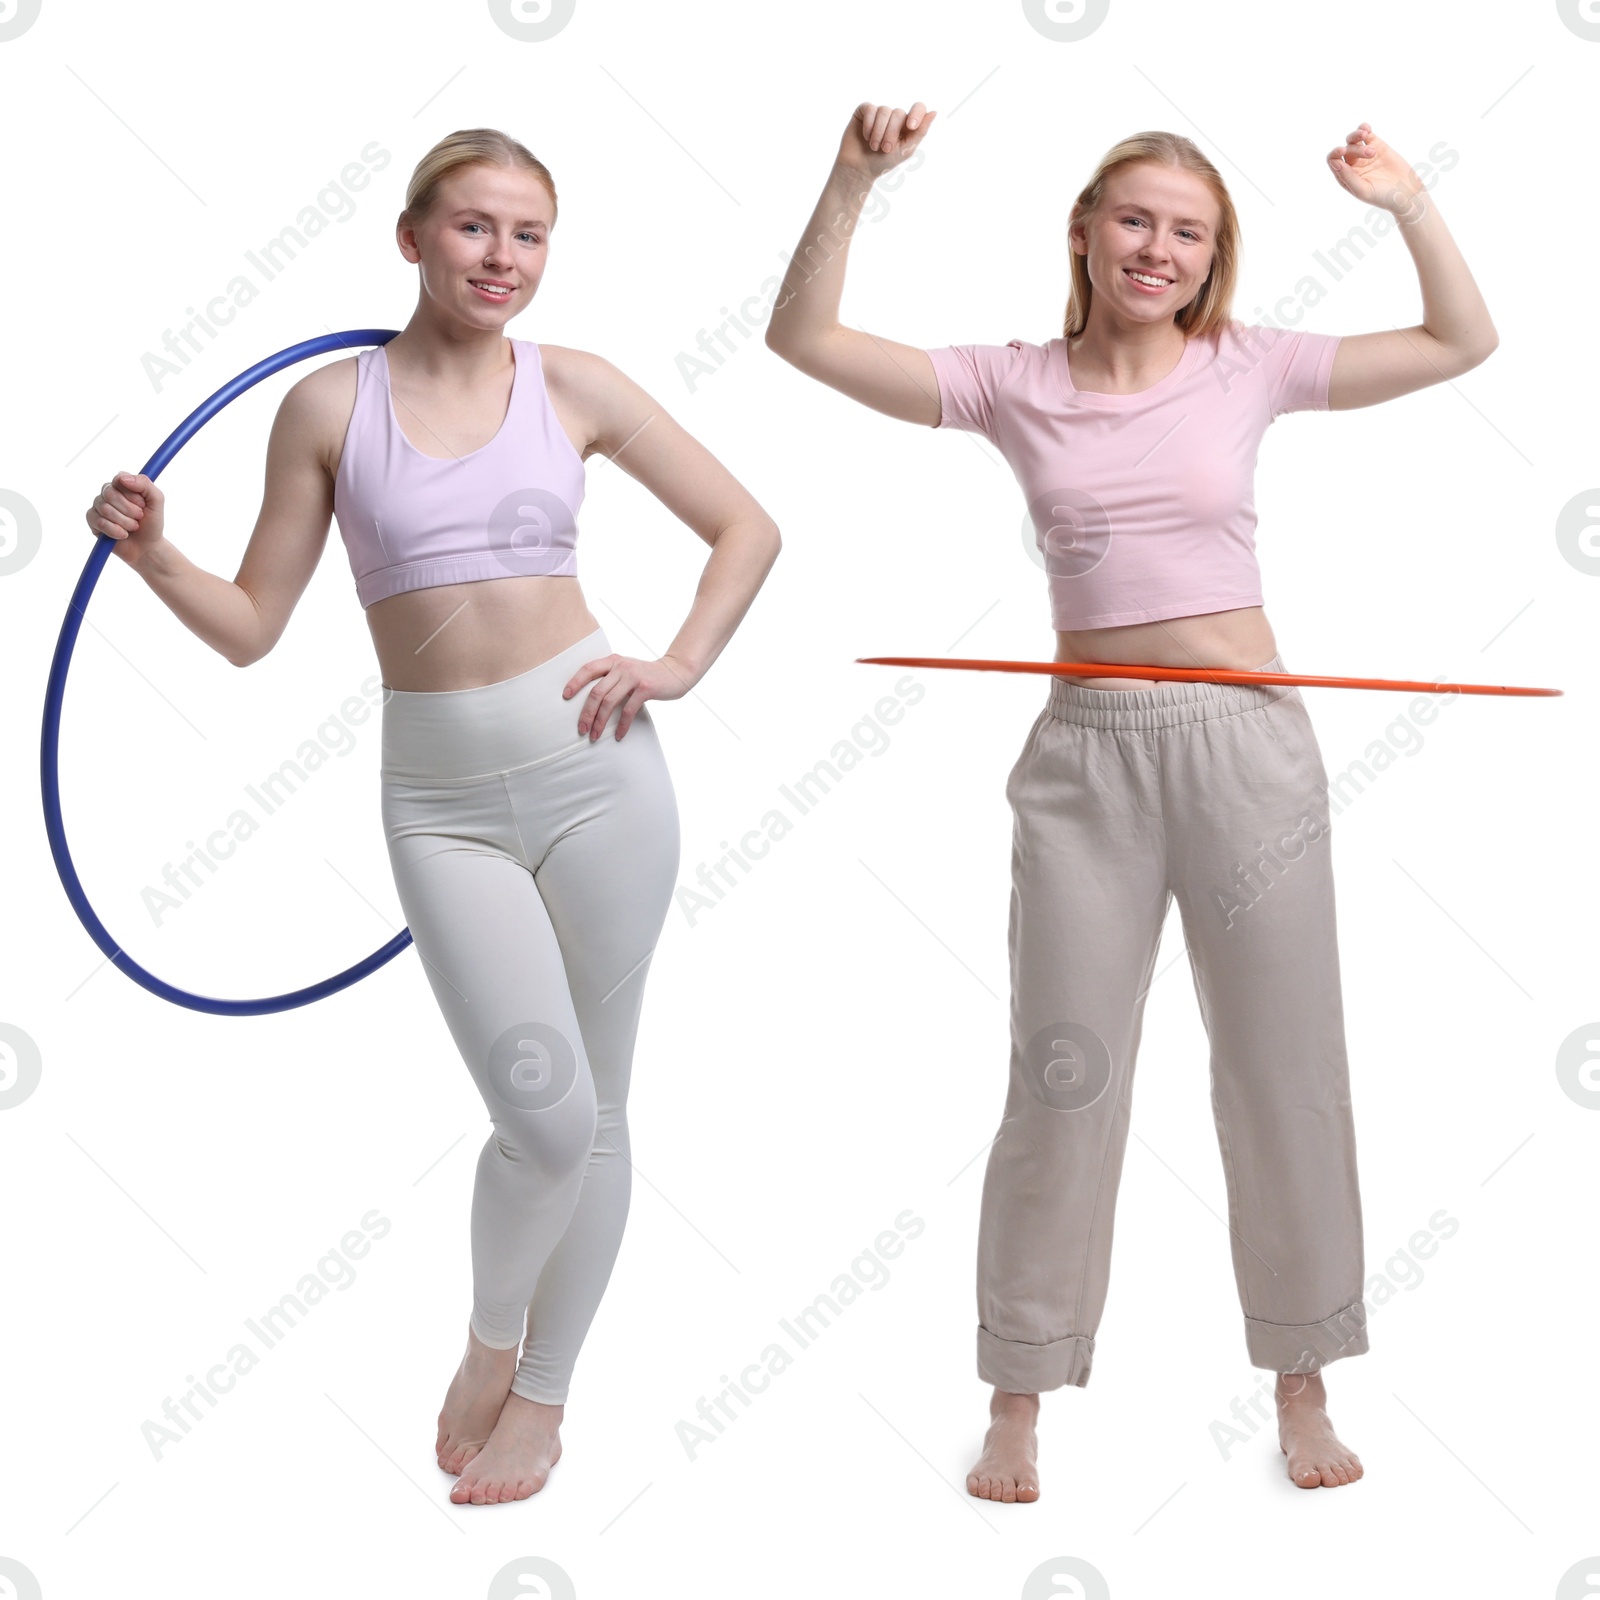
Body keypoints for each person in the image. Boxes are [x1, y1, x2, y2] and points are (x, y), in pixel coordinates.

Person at [765, 103, 1496, 1500]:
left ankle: (1302, 1376)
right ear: (1087, 232)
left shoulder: (1248, 364)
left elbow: (1463, 341)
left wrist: (1406, 201)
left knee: (1284, 1073)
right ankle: (1019, 1393)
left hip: (1247, 752)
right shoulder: (1011, 381)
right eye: (1136, 219)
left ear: (1213, 258)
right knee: (1063, 1079)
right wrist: (850, 183)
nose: (1158, 247)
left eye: (1190, 230)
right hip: (1086, 759)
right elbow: (804, 342)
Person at [85, 128, 782, 1507]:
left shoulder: (576, 384)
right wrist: (156, 551)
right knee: (543, 1111)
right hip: (442, 801)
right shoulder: (330, 410)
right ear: (411, 238)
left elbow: (747, 527)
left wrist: (680, 664)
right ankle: (488, 1336)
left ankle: (544, 1395)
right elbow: (252, 628)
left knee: (602, 1110)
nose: (502, 259)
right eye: (474, 228)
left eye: (529, 235)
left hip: (602, 775)